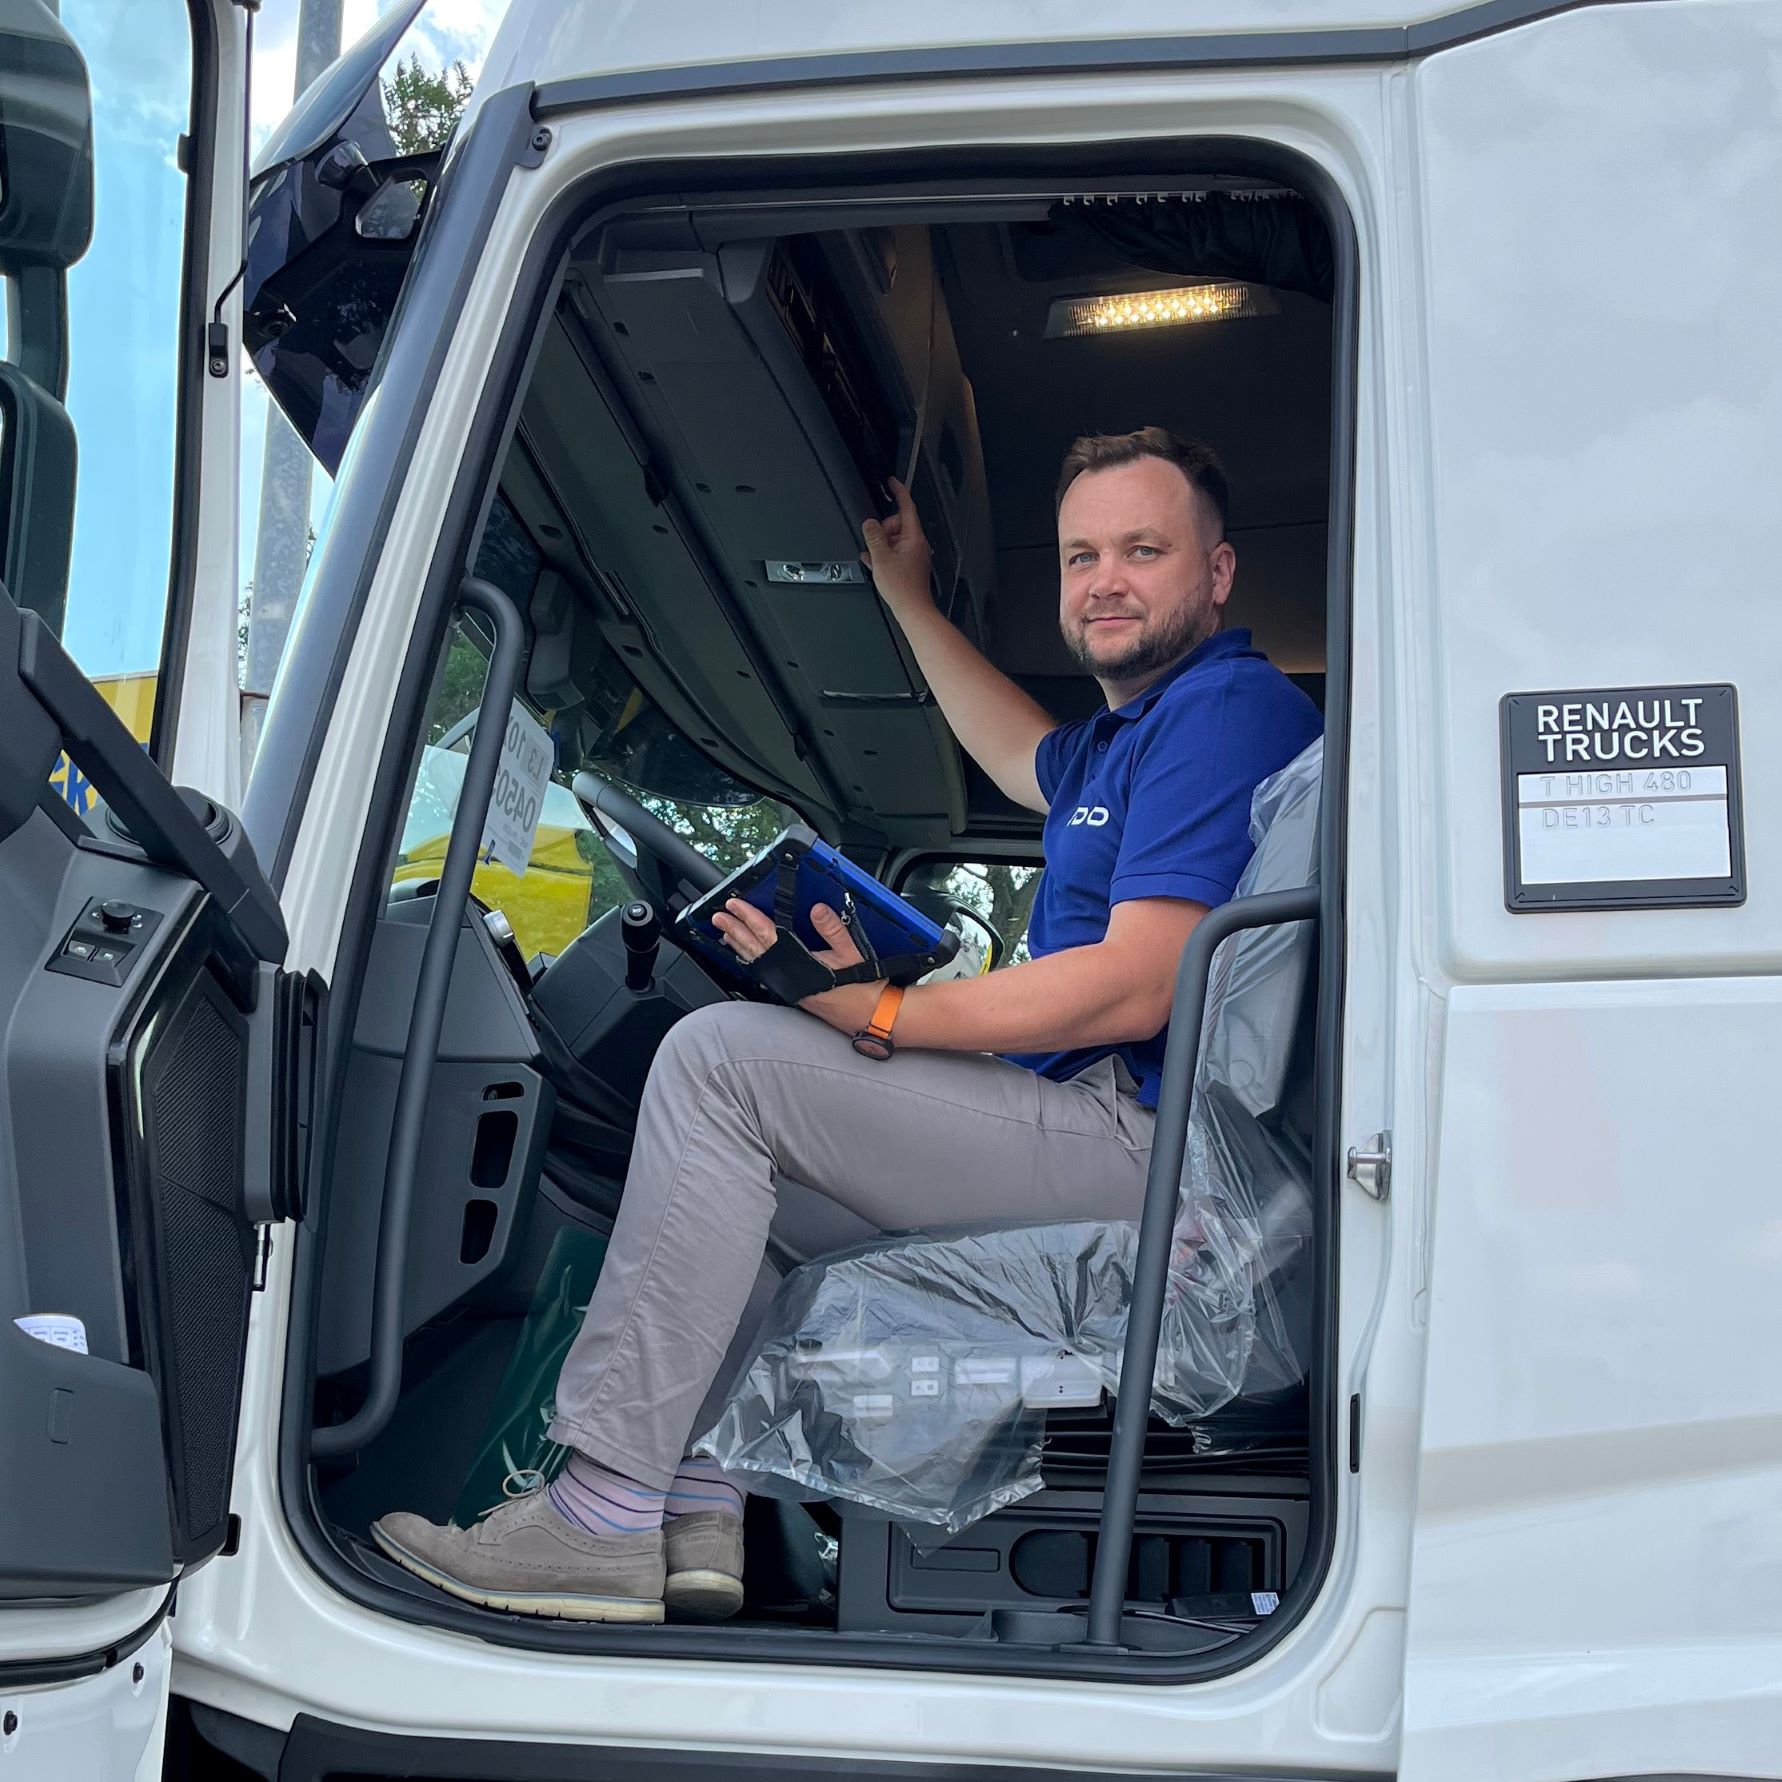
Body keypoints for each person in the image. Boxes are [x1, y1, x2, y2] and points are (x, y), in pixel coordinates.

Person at [372, 427, 1323, 1624]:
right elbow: (1018, 749)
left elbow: (1140, 981)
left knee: (718, 1067)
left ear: (1219, 574)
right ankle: (698, 1509)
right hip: (1110, 1136)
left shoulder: (1225, 707)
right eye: (1082, 557)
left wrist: (888, 1009)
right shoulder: (1122, 739)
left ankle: (596, 1516)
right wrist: (904, 596)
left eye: (1144, 549)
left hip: (1148, 1150)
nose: (1105, 581)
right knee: (749, 1178)